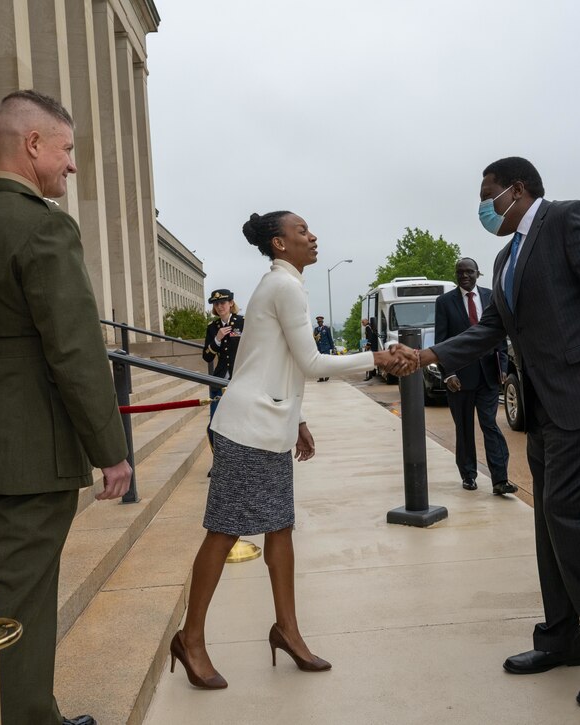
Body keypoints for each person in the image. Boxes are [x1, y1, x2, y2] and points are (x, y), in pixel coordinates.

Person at [417, 157, 580, 709]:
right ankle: (561, 638)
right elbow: (491, 329)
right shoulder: (506, 257)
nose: (483, 208)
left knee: (572, 524)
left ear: (517, 188)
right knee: (550, 526)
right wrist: (429, 354)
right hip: (545, 411)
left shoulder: (569, 220)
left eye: (488, 194)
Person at [0, 89, 132, 725]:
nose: (71, 166)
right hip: (32, 452)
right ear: (32, 145)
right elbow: (75, 351)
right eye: (66, 150)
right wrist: (110, 450)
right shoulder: (44, 227)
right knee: (20, 606)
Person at [169, 210, 417, 690]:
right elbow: (310, 360)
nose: (313, 235)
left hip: (268, 425)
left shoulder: (280, 286)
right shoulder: (283, 286)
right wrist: (378, 356)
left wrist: (296, 418)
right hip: (245, 430)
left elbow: (266, 361)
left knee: (280, 530)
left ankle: (287, 630)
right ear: (280, 244)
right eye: (302, 231)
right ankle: (191, 638)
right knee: (223, 534)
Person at [434, 257, 514, 495]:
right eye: (460, 273)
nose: (464, 276)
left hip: (488, 376)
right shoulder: (444, 302)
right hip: (459, 380)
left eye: (469, 272)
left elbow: (500, 336)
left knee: (490, 425)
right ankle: (468, 475)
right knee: (465, 429)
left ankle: (500, 480)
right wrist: (448, 374)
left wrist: (502, 369)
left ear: (478, 273)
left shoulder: (491, 297)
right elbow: (442, 341)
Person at [202, 288, 243, 454]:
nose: (220, 306)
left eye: (223, 303)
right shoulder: (212, 327)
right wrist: (217, 339)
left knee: (239, 423)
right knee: (215, 424)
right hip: (219, 380)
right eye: (216, 304)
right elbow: (207, 357)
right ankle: (218, 461)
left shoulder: (242, 322)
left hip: (239, 378)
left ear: (231, 303)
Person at [313, 314, 333, 381]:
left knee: (326, 362)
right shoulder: (316, 329)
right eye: (318, 322)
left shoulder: (326, 328)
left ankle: (327, 375)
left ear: (322, 322)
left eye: (320, 321)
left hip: (326, 347)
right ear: (317, 322)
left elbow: (330, 338)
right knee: (319, 363)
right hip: (319, 348)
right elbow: (314, 339)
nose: (319, 322)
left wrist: (332, 348)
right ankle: (321, 377)